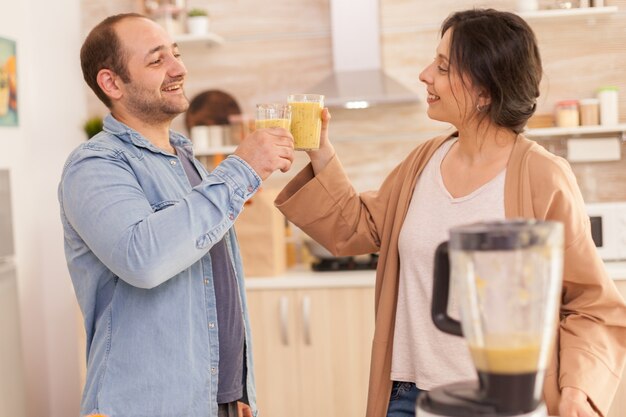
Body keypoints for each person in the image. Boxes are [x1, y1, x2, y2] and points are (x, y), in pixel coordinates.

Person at [275, 8, 626, 417]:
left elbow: (591, 303)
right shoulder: (423, 160)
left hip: (499, 402)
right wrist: (321, 150)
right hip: (407, 395)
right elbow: (357, 228)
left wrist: (578, 388)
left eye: (442, 66)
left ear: (485, 91)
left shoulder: (542, 176)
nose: (425, 74)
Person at [59, 13, 294, 417]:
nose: (179, 69)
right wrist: (241, 169)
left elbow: (213, 283)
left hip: (218, 403)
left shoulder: (185, 159)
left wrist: (238, 390)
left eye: (177, 54)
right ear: (111, 83)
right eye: (156, 60)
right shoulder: (94, 165)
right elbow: (143, 259)